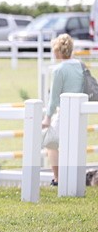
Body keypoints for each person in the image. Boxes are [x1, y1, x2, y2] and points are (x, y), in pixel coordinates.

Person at [42, 34, 83, 186]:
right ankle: (72, 178)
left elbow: (54, 98)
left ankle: (58, 178)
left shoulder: (58, 70)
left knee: (51, 143)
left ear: (59, 50)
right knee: (73, 145)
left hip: (63, 112)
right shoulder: (80, 66)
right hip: (79, 111)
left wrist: (47, 117)